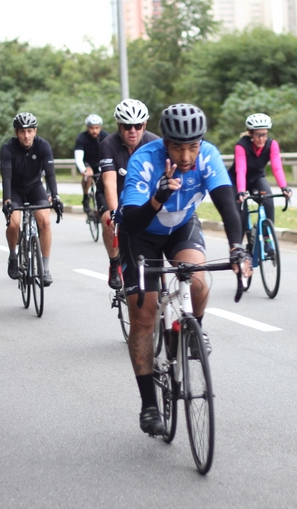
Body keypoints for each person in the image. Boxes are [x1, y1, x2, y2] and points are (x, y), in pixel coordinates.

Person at [117, 103, 248, 436]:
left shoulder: (208, 156)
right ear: (165, 143)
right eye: (178, 147)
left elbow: (226, 202)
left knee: (199, 282)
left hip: (180, 226)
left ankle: (190, 331)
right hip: (140, 233)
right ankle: (149, 405)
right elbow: (131, 221)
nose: (187, 156)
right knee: (144, 314)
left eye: (193, 146)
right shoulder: (144, 161)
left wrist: (236, 247)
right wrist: (157, 197)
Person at [98, 99, 160, 288]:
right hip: (115, 192)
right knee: (109, 221)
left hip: (142, 194)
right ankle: (114, 263)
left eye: (138, 125)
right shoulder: (108, 144)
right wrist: (114, 213)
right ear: (119, 125)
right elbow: (109, 182)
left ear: (145, 125)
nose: (133, 131)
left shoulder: (155, 143)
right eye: (127, 126)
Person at [1, 112, 63, 286]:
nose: (26, 135)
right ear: (16, 133)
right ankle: (13, 255)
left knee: (45, 222)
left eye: (29, 131)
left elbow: (50, 175)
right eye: (22, 131)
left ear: (35, 131)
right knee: (13, 223)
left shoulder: (43, 146)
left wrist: (55, 196)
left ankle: (45, 269)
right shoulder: (8, 148)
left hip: (35, 187)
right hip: (15, 189)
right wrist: (7, 201)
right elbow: (6, 178)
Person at [228, 113, 292, 227]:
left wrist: (284, 187)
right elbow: (241, 170)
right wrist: (241, 191)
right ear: (250, 133)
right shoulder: (241, 146)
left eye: (264, 134)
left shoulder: (272, 144)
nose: (261, 139)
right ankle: (240, 237)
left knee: (268, 201)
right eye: (258, 135)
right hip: (237, 181)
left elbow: (277, 168)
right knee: (241, 214)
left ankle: (267, 234)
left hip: (257, 178)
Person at [74, 114, 110, 212]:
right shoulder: (81, 137)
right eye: (92, 128)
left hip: (100, 162)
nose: (94, 131)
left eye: (97, 128)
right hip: (87, 162)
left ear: (100, 127)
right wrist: (83, 169)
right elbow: (78, 157)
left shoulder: (105, 136)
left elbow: (109, 153)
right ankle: (86, 198)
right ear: (87, 128)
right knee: (88, 175)